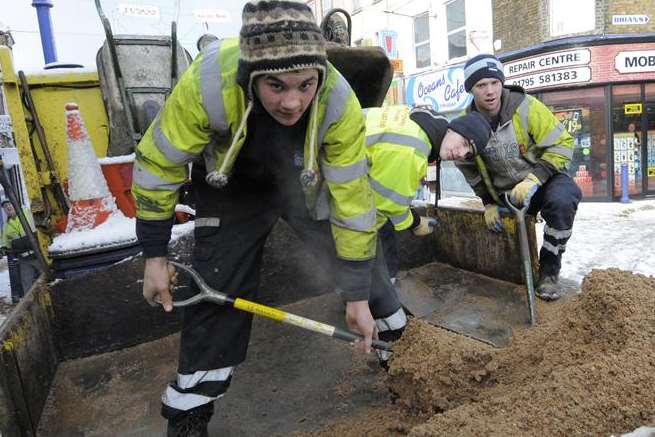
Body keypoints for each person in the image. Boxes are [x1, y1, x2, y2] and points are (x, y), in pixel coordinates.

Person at [132, 1, 407, 435]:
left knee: (365, 269)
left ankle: (406, 356)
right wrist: (154, 254)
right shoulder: (208, 82)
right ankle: (190, 415)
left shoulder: (338, 101)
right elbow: (157, 165)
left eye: (305, 84)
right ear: (251, 75)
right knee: (218, 285)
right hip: (230, 185)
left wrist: (355, 297)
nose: (292, 101)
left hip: (305, 177)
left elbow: (353, 202)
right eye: (276, 86)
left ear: (320, 74)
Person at [442, 53, 581, 301]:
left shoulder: (526, 107)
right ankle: (515, 279)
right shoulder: (467, 125)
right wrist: (488, 203)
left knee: (564, 200)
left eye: (494, 83)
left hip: (544, 180)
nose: (490, 91)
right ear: (471, 90)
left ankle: (549, 270)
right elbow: (469, 169)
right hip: (506, 193)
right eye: (481, 85)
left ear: (502, 83)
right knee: (506, 240)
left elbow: (562, 143)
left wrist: (534, 179)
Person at [364, 106, 489, 280]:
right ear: (454, 128)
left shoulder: (419, 121)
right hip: (328, 167)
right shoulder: (413, 150)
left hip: (330, 147)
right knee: (383, 237)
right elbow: (386, 208)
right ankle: (382, 297)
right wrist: (415, 222)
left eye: (468, 154)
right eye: (465, 143)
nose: (461, 153)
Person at [0, 200, 40, 303]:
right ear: (4, 210)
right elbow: (5, 244)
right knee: (27, 286)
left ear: (15, 204)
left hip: (38, 256)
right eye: (5, 207)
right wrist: (4, 249)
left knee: (48, 278)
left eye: (10, 204)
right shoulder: (6, 226)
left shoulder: (26, 213)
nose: (8, 207)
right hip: (24, 260)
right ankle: (32, 307)